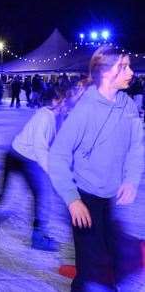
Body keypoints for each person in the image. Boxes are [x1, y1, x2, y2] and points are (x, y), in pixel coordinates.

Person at [48, 45, 144, 291]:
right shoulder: (85, 110)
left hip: (109, 197)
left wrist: (131, 180)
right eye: (123, 67)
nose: (131, 72)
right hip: (84, 199)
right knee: (95, 268)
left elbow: (137, 146)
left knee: (101, 263)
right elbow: (57, 155)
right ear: (104, 72)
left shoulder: (128, 105)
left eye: (129, 65)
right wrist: (72, 200)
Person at [0, 85, 69, 258]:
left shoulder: (54, 116)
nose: (66, 104)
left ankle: (37, 237)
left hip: (27, 159)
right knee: (3, 196)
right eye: (63, 100)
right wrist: (53, 172)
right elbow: (40, 147)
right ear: (54, 101)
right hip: (16, 157)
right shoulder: (44, 116)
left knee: (39, 194)